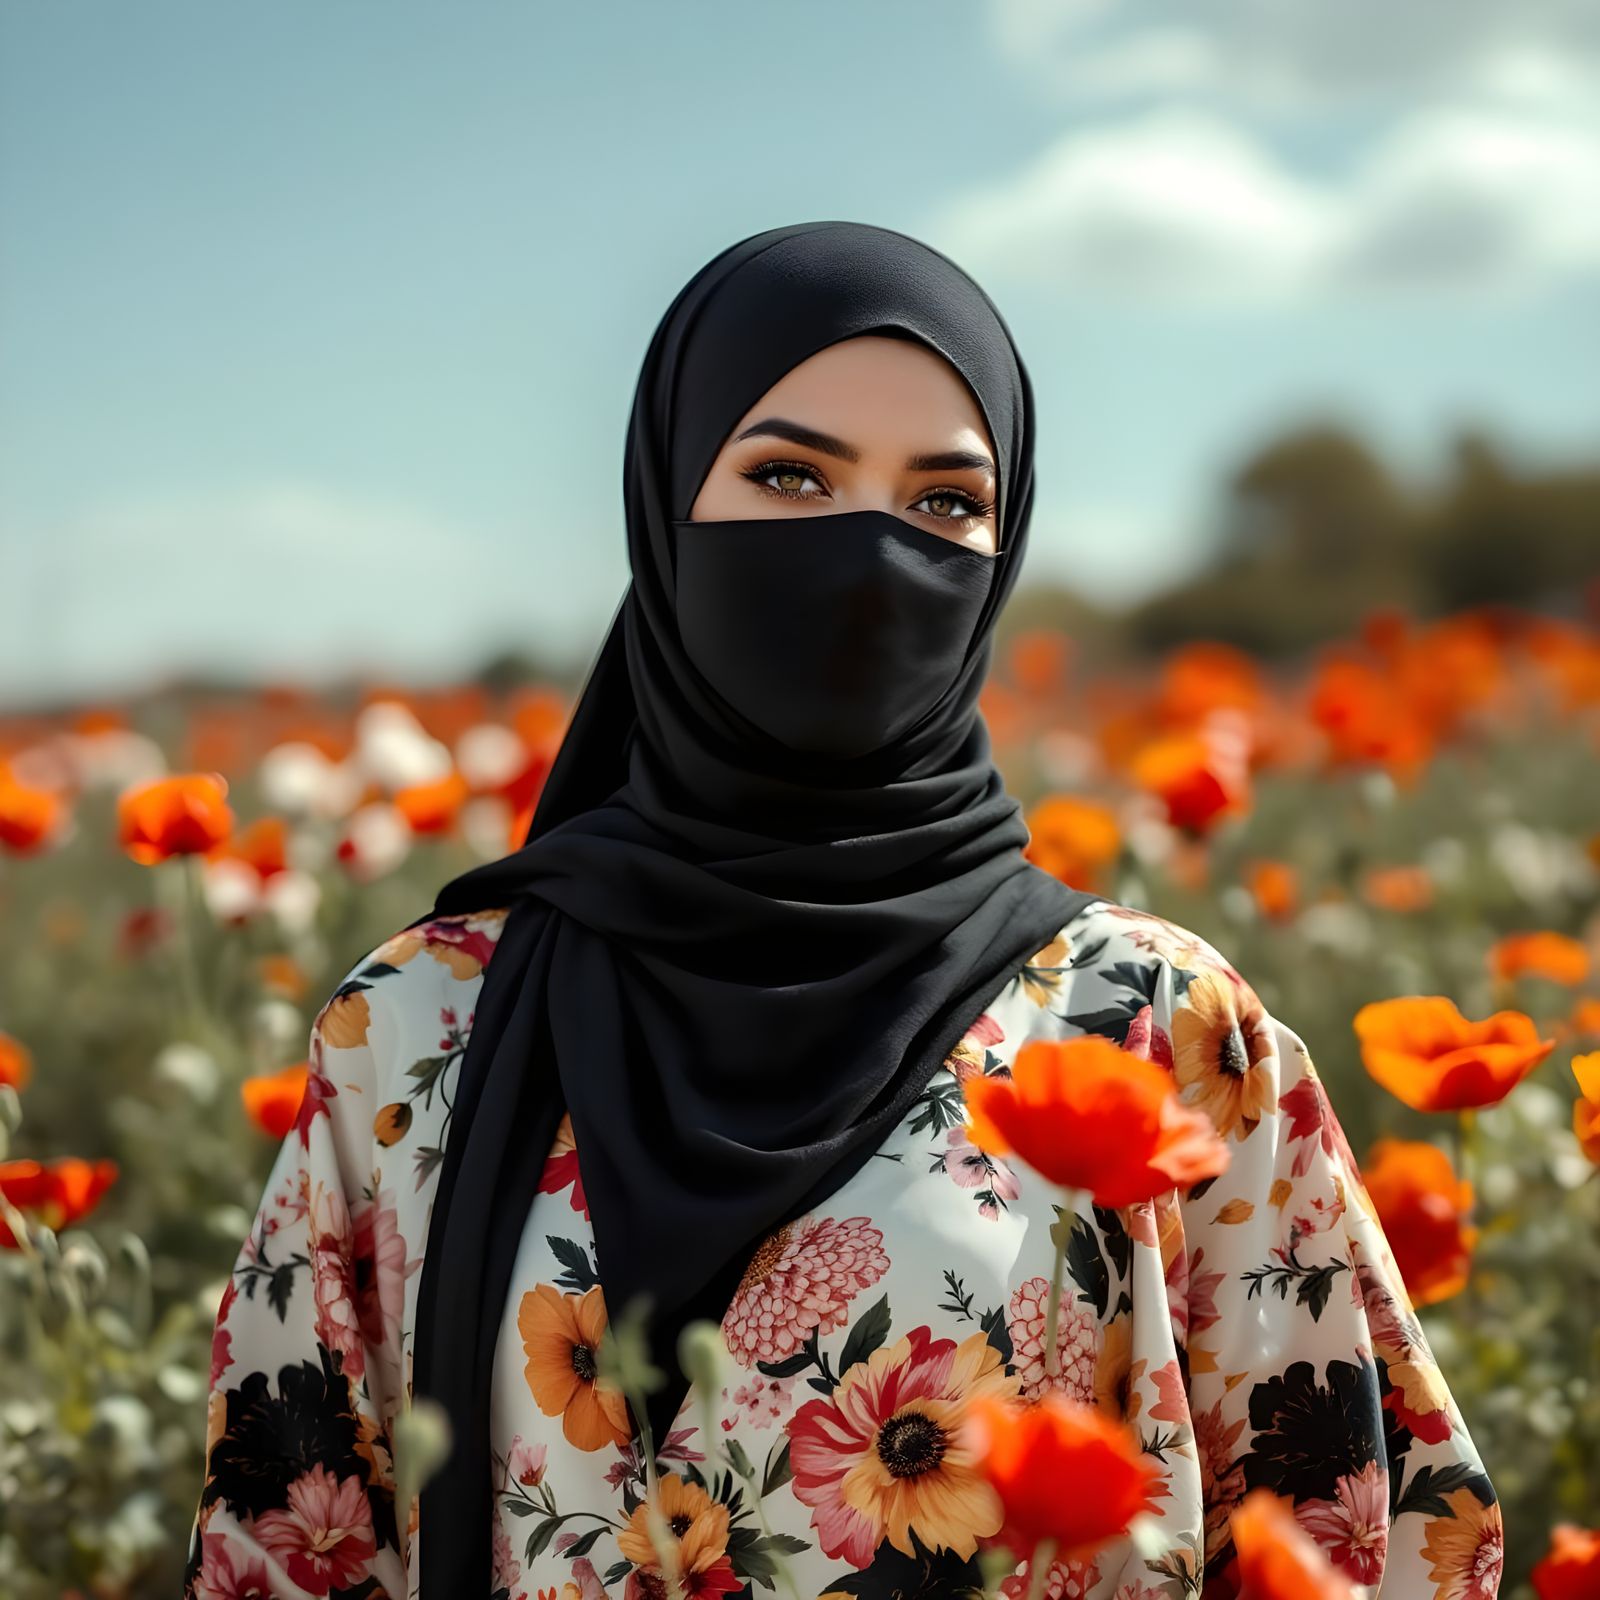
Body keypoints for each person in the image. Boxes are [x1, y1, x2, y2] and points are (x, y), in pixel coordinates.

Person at [182, 221, 1501, 1600]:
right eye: (789, 474)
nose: (867, 553)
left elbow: (1371, 1545)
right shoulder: (415, 1032)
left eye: (943, 503)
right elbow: (280, 1546)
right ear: (665, 504)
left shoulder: (1153, 1033)